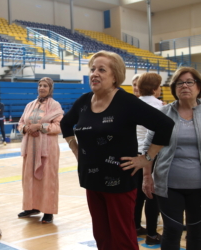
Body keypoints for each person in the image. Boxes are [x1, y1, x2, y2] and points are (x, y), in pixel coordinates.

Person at [60, 50, 174, 250]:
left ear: (115, 77)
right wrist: (76, 150)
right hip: (91, 179)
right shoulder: (84, 102)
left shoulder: (126, 102)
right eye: (93, 69)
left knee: (123, 239)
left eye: (102, 70)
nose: (94, 73)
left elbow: (165, 125)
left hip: (119, 180)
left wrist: (147, 158)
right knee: (102, 237)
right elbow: (65, 124)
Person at [143, 67, 201, 250]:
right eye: (180, 83)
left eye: (189, 82)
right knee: (172, 229)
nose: (185, 86)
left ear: (198, 86)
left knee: (197, 231)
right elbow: (148, 147)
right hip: (168, 184)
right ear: (174, 88)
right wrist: (147, 177)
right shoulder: (163, 113)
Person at [17, 77, 64, 224]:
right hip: (30, 149)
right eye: (40, 85)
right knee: (29, 179)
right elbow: (21, 123)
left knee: (47, 180)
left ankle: (48, 211)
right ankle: (32, 207)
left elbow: (59, 127)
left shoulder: (55, 106)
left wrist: (41, 127)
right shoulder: (30, 105)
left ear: (50, 89)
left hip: (48, 150)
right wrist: (26, 128)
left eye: (45, 86)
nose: (42, 88)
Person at [134, 73, 163, 245]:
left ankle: (136, 226)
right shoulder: (160, 107)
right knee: (152, 194)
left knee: (137, 194)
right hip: (152, 155)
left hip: (133, 154)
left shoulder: (132, 105)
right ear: (154, 88)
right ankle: (152, 234)